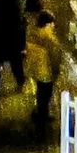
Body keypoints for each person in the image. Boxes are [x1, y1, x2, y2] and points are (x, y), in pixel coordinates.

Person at [24, 11, 62, 140]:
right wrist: (56, 73)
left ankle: (39, 115)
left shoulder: (33, 34)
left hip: (36, 72)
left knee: (40, 95)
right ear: (47, 24)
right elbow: (55, 59)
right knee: (45, 98)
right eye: (51, 23)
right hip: (47, 73)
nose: (53, 26)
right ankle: (41, 125)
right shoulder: (51, 40)